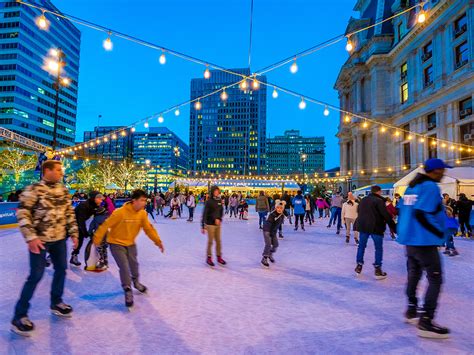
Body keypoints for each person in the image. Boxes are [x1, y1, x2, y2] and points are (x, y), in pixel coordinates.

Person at [11, 160, 79, 336]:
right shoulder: (33, 189)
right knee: (36, 275)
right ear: (47, 170)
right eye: (57, 170)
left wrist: (73, 232)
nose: (61, 172)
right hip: (39, 240)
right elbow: (23, 213)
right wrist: (31, 237)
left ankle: (56, 302)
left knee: (62, 270)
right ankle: (19, 316)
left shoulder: (63, 190)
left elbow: (69, 213)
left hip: (59, 239)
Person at [397, 158, 452, 339]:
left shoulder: (411, 187)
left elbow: (404, 211)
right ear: (435, 171)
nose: (444, 174)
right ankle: (426, 320)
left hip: (410, 239)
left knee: (414, 274)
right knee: (435, 279)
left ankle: (412, 309)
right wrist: (439, 233)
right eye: (442, 170)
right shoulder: (429, 187)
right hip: (424, 240)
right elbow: (422, 213)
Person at [93, 189, 164, 309]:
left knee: (134, 265)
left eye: (145, 201)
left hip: (130, 243)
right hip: (116, 243)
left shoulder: (142, 214)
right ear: (134, 200)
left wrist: (158, 241)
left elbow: (148, 229)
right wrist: (97, 239)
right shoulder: (119, 212)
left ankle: (136, 282)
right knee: (124, 266)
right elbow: (106, 225)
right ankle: (127, 289)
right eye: (142, 200)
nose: (144, 203)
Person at [354, 185, 396, 279]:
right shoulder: (379, 201)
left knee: (361, 246)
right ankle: (377, 269)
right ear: (379, 192)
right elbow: (386, 215)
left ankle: (359, 265)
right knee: (378, 248)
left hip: (363, 227)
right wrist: (394, 227)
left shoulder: (364, 200)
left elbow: (358, 211)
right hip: (376, 227)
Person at [71, 191, 104, 266]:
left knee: (80, 240)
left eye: (101, 199)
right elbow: (80, 221)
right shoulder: (84, 206)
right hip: (70, 222)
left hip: (78, 223)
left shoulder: (95, 206)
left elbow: (97, 217)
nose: (101, 200)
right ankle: (52, 254)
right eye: (99, 198)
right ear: (93, 198)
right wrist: (85, 232)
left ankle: (74, 256)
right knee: (62, 239)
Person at [201, 186, 225, 267]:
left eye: (218, 191)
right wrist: (203, 225)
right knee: (210, 242)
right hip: (210, 224)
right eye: (215, 191)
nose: (217, 192)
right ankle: (209, 258)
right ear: (212, 192)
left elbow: (221, 211)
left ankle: (219, 257)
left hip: (218, 225)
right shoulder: (209, 201)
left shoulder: (219, 200)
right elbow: (205, 214)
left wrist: (219, 219)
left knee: (218, 241)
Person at [261, 200, 286, 268]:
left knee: (276, 245)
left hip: (273, 231)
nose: (279, 209)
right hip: (267, 230)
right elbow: (269, 224)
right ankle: (264, 258)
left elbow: (278, 225)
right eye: (278, 208)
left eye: (281, 208)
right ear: (275, 208)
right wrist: (271, 233)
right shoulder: (272, 215)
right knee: (268, 244)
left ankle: (270, 254)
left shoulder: (281, 215)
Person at [86, 206, 109, 271]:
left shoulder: (95, 219)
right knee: (104, 249)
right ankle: (106, 262)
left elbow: (91, 228)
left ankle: (101, 262)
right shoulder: (107, 218)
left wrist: (89, 233)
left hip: (99, 237)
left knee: (100, 250)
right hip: (106, 236)